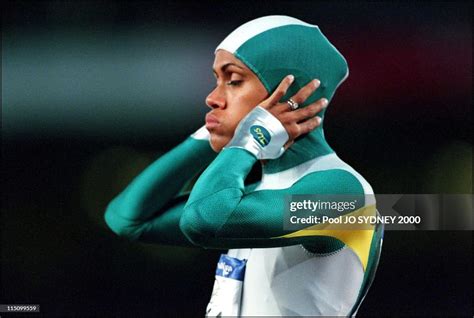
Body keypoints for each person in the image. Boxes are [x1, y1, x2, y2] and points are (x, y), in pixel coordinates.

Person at [104, 15, 384, 317]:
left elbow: (202, 221)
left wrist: (251, 134)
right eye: (216, 81)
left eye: (233, 80)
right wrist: (209, 136)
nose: (212, 98)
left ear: (286, 95)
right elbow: (129, 219)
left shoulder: (342, 193)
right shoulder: (258, 191)